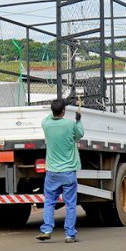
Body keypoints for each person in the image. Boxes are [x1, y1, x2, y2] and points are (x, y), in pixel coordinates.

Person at [37, 98, 84, 243]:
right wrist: (78, 120)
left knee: (49, 201)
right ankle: (70, 234)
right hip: (68, 171)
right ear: (63, 111)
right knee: (70, 204)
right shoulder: (70, 124)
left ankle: (46, 229)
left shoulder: (46, 124)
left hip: (52, 171)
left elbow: (49, 117)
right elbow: (79, 135)